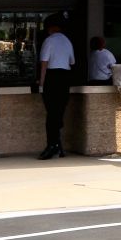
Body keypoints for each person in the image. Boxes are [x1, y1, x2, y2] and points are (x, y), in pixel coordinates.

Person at [35, 16, 75, 160]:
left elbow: (44, 62)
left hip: (52, 76)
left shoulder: (49, 40)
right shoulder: (67, 41)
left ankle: (52, 145)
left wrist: (41, 83)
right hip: (65, 76)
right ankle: (57, 145)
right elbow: (72, 61)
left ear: (50, 28)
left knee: (51, 112)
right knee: (58, 111)